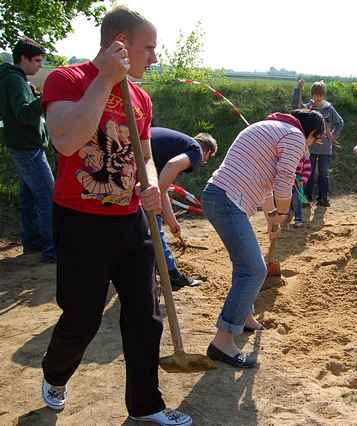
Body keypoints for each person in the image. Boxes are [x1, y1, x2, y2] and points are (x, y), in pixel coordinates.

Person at [39, 6, 191, 425]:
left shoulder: (141, 98)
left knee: (145, 314)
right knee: (82, 316)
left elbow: (143, 155)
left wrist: (152, 183)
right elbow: (68, 141)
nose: (155, 58)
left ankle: (147, 406)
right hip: (80, 218)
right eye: (149, 48)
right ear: (120, 44)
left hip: (129, 219)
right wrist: (106, 77)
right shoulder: (66, 79)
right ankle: (55, 374)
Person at [201, 109, 324, 368]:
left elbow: (267, 183)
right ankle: (222, 341)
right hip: (227, 200)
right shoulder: (293, 136)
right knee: (254, 270)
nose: (308, 147)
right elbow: (284, 180)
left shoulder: (270, 128)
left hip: (220, 196)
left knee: (246, 265)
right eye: (313, 141)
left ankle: (244, 316)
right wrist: (282, 212)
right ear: (311, 133)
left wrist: (271, 217)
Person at [0, 38, 56, 263]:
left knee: (29, 195)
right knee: (47, 195)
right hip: (27, 148)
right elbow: (23, 113)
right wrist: (44, 100)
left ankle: (32, 240)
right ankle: (53, 248)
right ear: (23, 58)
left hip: (19, 145)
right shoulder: (14, 81)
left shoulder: (12, 79)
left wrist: (32, 94)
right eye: (37, 61)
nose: (39, 66)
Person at [151, 127, 217, 290]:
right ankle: (172, 275)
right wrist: (153, 196)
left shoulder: (170, 147)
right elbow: (172, 166)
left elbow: (163, 190)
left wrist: (173, 223)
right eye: (208, 158)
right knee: (153, 220)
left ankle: (151, 268)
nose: (204, 161)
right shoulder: (195, 150)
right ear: (207, 151)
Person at [292, 80, 344, 207]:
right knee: (308, 173)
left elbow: (340, 122)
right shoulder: (308, 107)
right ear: (312, 95)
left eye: (320, 95)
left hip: (325, 148)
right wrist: (298, 89)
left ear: (323, 95)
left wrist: (333, 134)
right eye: (315, 95)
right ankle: (307, 198)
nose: (317, 98)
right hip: (311, 147)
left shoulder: (329, 108)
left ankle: (323, 198)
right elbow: (296, 106)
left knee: (323, 174)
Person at [290, 150, 311, 228]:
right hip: (287, 179)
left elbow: (307, 170)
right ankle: (283, 220)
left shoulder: (304, 156)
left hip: (298, 180)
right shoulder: (287, 154)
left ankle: (298, 219)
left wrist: (303, 180)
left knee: (296, 200)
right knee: (285, 200)